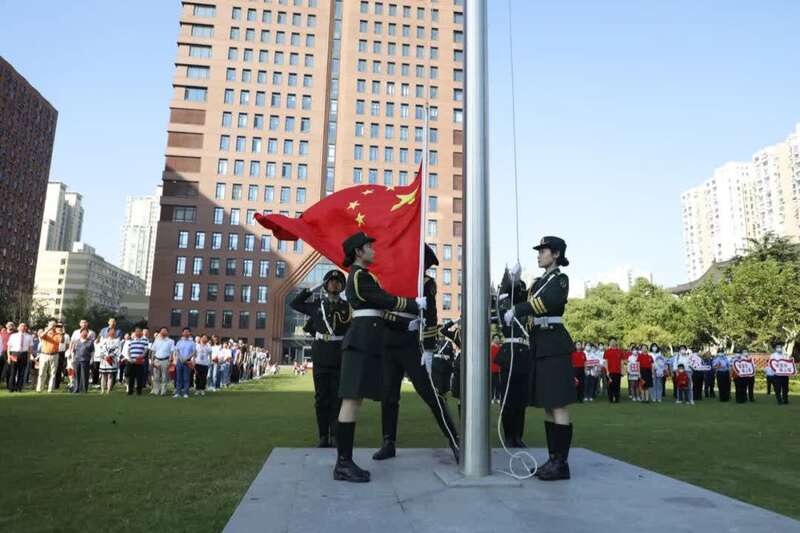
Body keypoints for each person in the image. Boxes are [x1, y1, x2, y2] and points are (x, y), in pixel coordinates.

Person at [334, 231, 424, 483]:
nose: (373, 250)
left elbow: (379, 312)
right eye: (369, 247)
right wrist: (414, 303)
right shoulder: (360, 276)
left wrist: (406, 323)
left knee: (355, 401)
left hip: (365, 342)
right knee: (351, 401)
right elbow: (384, 301)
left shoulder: (363, 276)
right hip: (361, 343)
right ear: (358, 252)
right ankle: (343, 463)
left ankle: (345, 461)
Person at [373, 244, 459, 462]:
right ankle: (388, 442)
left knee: (430, 393)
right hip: (387, 341)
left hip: (411, 345)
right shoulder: (391, 277)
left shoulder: (426, 283)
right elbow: (381, 308)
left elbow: (431, 317)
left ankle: (455, 439)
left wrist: (429, 349)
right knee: (389, 396)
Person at [506, 236, 575, 481]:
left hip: (554, 343)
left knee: (558, 404)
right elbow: (520, 298)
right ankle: (553, 458)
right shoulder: (539, 281)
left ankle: (561, 463)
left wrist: (520, 309)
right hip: (540, 343)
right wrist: (510, 279)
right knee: (548, 404)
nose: (539, 254)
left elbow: (549, 302)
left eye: (543, 251)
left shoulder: (560, 279)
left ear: (556, 254)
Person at [290, 269, 351, 448]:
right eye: (331, 281)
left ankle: (335, 434)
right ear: (325, 285)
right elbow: (295, 303)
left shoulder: (347, 307)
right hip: (321, 355)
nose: (334, 284)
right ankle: (323, 435)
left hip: (340, 354)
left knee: (337, 397)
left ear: (342, 286)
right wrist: (313, 287)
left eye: (338, 282)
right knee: (321, 397)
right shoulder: (317, 305)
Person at [494, 266, 532, 448]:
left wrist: (518, 282)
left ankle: (518, 435)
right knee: (508, 399)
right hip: (510, 353)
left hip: (524, 355)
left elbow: (523, 298)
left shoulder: (522, 309)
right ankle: (509, 435)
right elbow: (503, 295)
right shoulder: (504, 306)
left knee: (521, 400)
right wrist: (509, 280)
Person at [37, 321, 63, 393]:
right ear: (48, 326)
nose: (52, 326)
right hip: (44, 354)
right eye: (51, 325)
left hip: (54, 355)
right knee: (42, 372)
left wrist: (61, 334)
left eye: (54, 325)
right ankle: (40, 388)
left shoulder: (58, 334)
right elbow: (41, 336)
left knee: (53, 373)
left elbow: (62, 341)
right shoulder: (46, 333)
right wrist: (48, 329)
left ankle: (50, 389)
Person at [7, 323, 33, 392]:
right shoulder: (13, 335)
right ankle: (11, 388)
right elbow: (9, 347)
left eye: (25, 326)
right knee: (13, 371)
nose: (23, 327)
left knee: (21, 372)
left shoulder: (29, 336)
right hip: (14, 353)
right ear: (18, 328)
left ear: (26, 328)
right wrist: (8, 357)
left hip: (24, 354)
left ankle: (19, 388)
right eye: (21, 326)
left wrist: (28, 357)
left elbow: (30, 348)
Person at [124, 328, 149, 395]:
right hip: (131, 361)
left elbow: (145, 350)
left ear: (141, 333)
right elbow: (128, 350)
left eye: (139, 331)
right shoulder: (131, 341)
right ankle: (130, 391)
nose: (137, 333)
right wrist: (129, 358)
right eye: (136, 332)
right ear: (135, 333)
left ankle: (139, 391)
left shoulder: (145, 340)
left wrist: (141, 357)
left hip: (139, 361)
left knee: (139, 377)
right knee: (131, 377)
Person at [150, 328, 175, 396]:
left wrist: (170, 360)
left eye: (165, 331)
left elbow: (171, 352)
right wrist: (152, 361)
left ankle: (163, 391)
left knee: (164, 377)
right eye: (162, 331)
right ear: (160, 332)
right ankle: (156, 391)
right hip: (156, 360)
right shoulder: (156, 340)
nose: (163, 332)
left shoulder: (171, 341)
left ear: (167, 332)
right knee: (156, 377)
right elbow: (153, 351)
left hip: (165, 360)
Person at [173, 328, 196, 398]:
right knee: (178, 378)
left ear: (190, 333)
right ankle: (178, 393)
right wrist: (181, 358)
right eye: (185, 332)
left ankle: (186, 393)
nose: (186, 333)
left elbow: (194, 352)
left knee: (186, 378)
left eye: (187, 332)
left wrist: (186, 359)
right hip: (179, 361)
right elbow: (177, 351)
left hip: (188, 361)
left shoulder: (192, 343)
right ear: (182, 333)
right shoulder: (179, 342)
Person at [97, 329, 121, 394]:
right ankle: (102, 390)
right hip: (104, 360)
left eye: (113, 332)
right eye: (111, 332)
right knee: (103, 375)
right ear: (108, 333)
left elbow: (118, 350)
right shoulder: (104, 340)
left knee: (110, 375)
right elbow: (100, 349)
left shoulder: (117, 341)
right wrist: (104, 356)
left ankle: (108, 390)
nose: (112, 333)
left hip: (112, 360)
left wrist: (111, 356)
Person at [71, 329, 94, 393]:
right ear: (80, 333)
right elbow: (73, 351)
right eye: (83, 332)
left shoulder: (90, 342)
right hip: (77, 360)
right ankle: (76, 389)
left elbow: (92, 352)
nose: (84, 333)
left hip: (85, 360)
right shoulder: (76, 341)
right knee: (76, 375)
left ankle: (84, 389)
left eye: (86, 332)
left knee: (84, 375)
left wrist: (92, 359)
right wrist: (72, 359)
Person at [604, 338, 625, 403]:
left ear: (616, 343)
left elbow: (622, 362)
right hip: (610, 372)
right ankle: (610, 398)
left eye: (614, 341)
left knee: (617, 385)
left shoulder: (620, 351)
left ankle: (616, 398)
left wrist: (622, 370)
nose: (612, 342)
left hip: (617, 372)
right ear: (609, 343)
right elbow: (606, 362)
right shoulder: (607, 351)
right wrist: (607, 371)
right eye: (611, 341)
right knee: (610, 386)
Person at [489, 335, 502, 403]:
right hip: (492, 369)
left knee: (498, 384)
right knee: (492, 384)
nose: (497, 340)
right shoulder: (491, 348)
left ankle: (497, 397)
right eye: (495, 338)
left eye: (498, 338)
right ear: (493, 340)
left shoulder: (501, 348)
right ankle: (491, 398)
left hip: (499, 369)